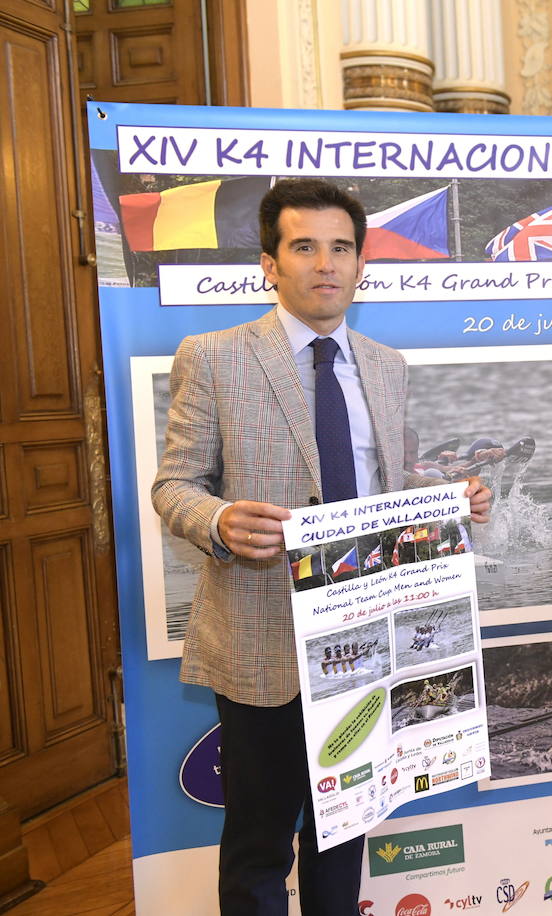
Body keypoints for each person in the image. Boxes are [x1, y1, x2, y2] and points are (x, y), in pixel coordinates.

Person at [151, 178, 492, 916]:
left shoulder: (386, 364)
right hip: (262, 640)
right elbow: (174, 485)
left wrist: (456, 507)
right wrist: (217, 522)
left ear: (361, 264)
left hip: (368, 644)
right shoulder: (212, 357)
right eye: (304, 247)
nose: (326, 263)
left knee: (344, 834)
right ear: (270, 264)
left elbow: (391, 493)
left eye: (342, 248)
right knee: (258, 845)